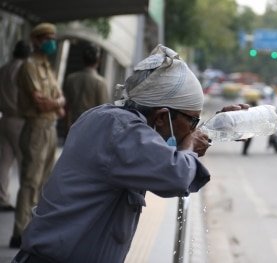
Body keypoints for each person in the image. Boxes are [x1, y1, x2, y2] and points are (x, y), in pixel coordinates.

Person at [12, 44, 249, 263]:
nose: (193, 129)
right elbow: (176, 175)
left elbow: (168, 147)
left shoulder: (111, 119)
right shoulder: (121, 130)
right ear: (160, 116)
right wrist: (191, 145)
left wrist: (215, 127)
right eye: (193, 120)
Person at [10, 23, 66, 249]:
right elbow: (40, 101)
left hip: (49, 128)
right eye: (47, 38)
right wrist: (56, 105)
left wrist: (55, 105)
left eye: (53, 37)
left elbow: (60, 100)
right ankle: (19, 232)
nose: (51, 42)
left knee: (44, 183)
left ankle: (34, 230)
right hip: (35, 128)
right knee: (30, 181)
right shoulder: (29, 67)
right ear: (36, 41)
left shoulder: (47, 67)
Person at [0, 40, 31, 211]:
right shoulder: (24, 70)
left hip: (4, 118)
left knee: (4, 161)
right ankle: (25, 200)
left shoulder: (4, 68)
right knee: (24, 161)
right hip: (20, 120)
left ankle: (2, 197)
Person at [63, 43, 109, 132]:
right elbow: (104, 112)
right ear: (98, 60)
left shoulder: (71, 78)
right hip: (90, 130)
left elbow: (66, 106)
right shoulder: (101, 83)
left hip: (73, 126)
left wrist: (67, 126)